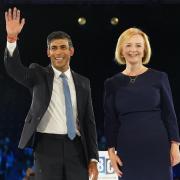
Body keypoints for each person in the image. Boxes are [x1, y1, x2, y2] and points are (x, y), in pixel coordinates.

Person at [4, 7, 99, 180]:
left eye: (63, 47)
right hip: (46, 147)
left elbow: (89, 122)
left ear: (71, 51)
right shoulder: (37, 74)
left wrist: (93, 157)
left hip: (77, 149)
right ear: (48, 52)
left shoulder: (84, 82)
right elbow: (14, 69)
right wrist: (12, 39)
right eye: (53, 48)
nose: (58, 52)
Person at [104, 27, 180, 180]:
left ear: (145, 50)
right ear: (121, 49)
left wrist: (175, 144)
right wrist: (111, 152)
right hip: (128, 149)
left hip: (158, 147)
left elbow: (169, 114)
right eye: (128, 45)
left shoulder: (159, 77)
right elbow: (110, 121)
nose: (133, 50)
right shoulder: (111, 83)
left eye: (138, 45)